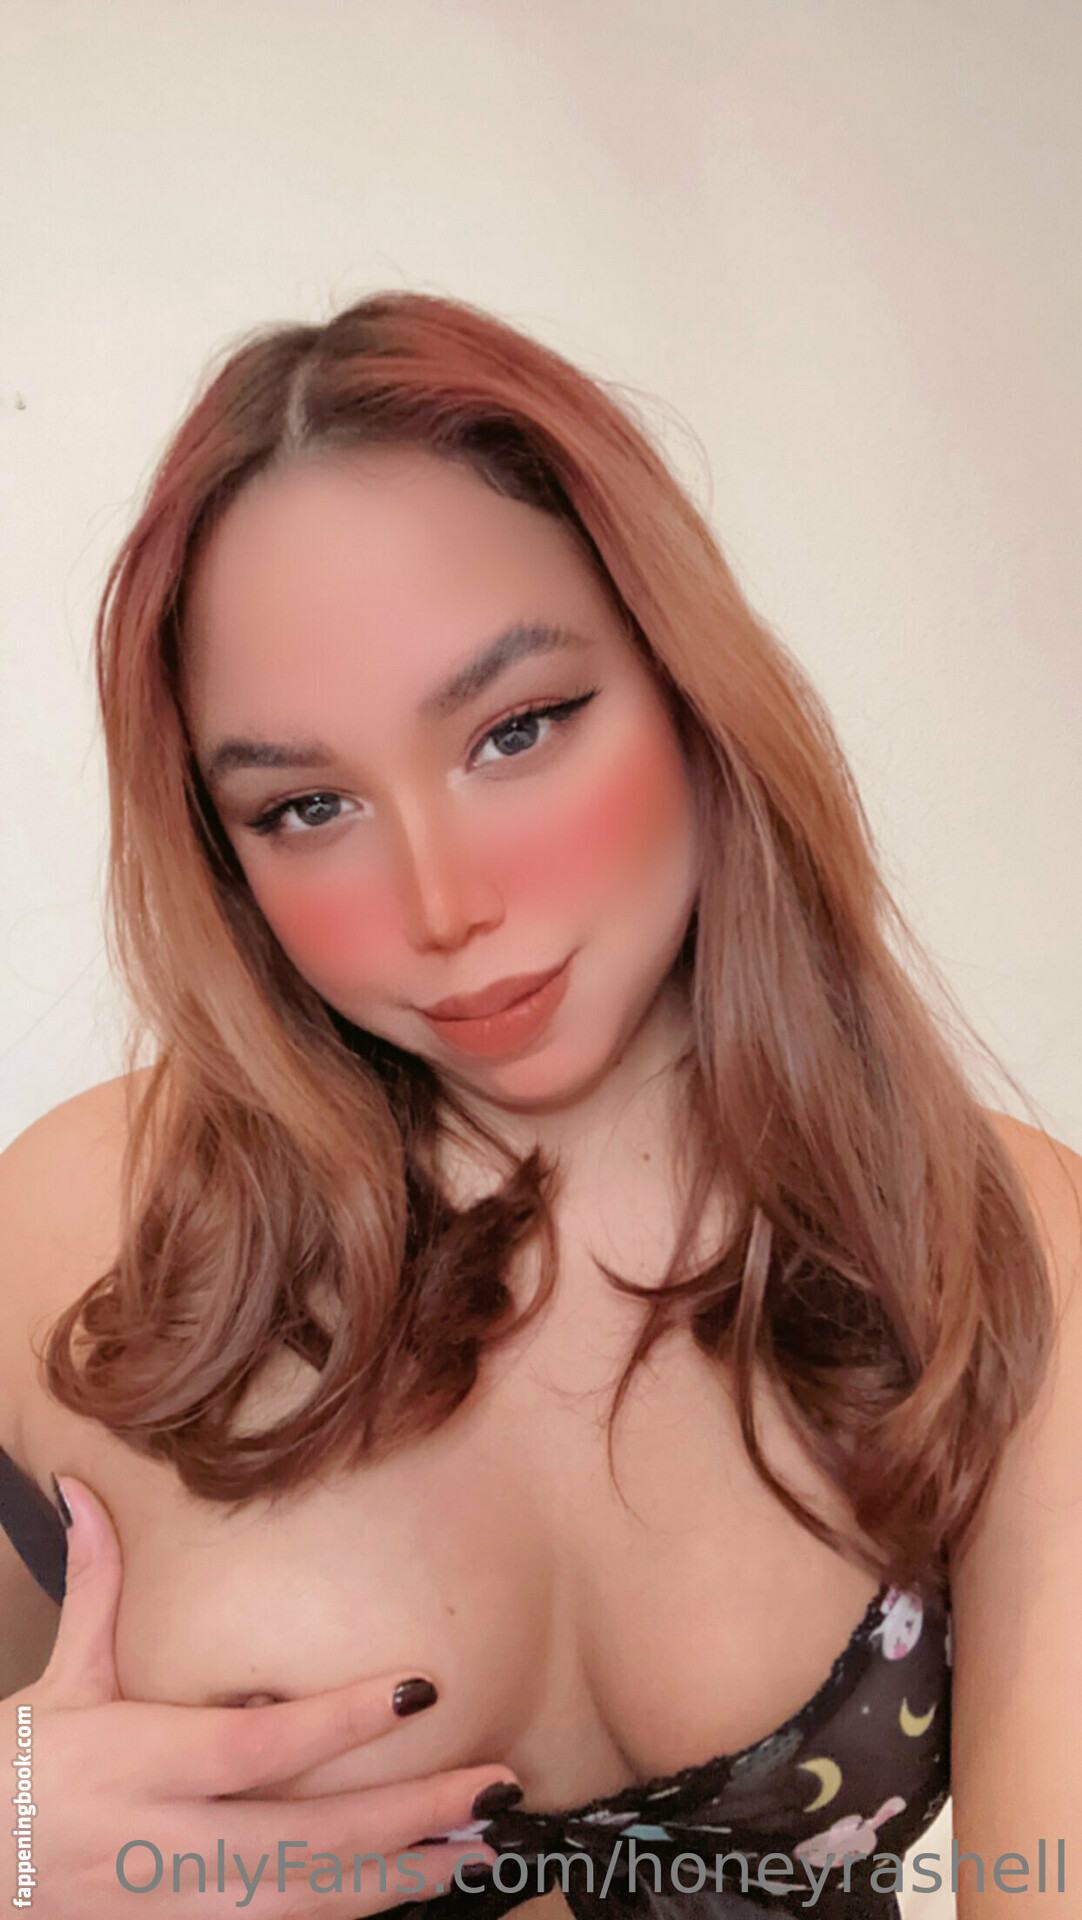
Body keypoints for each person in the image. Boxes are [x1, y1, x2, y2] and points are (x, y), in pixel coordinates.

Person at [1, 291, 1078, 1920]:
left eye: (516, 731)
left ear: (684, 682)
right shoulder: (82, 1220)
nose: (442, 905)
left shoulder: (993, 1242)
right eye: (305, 807)